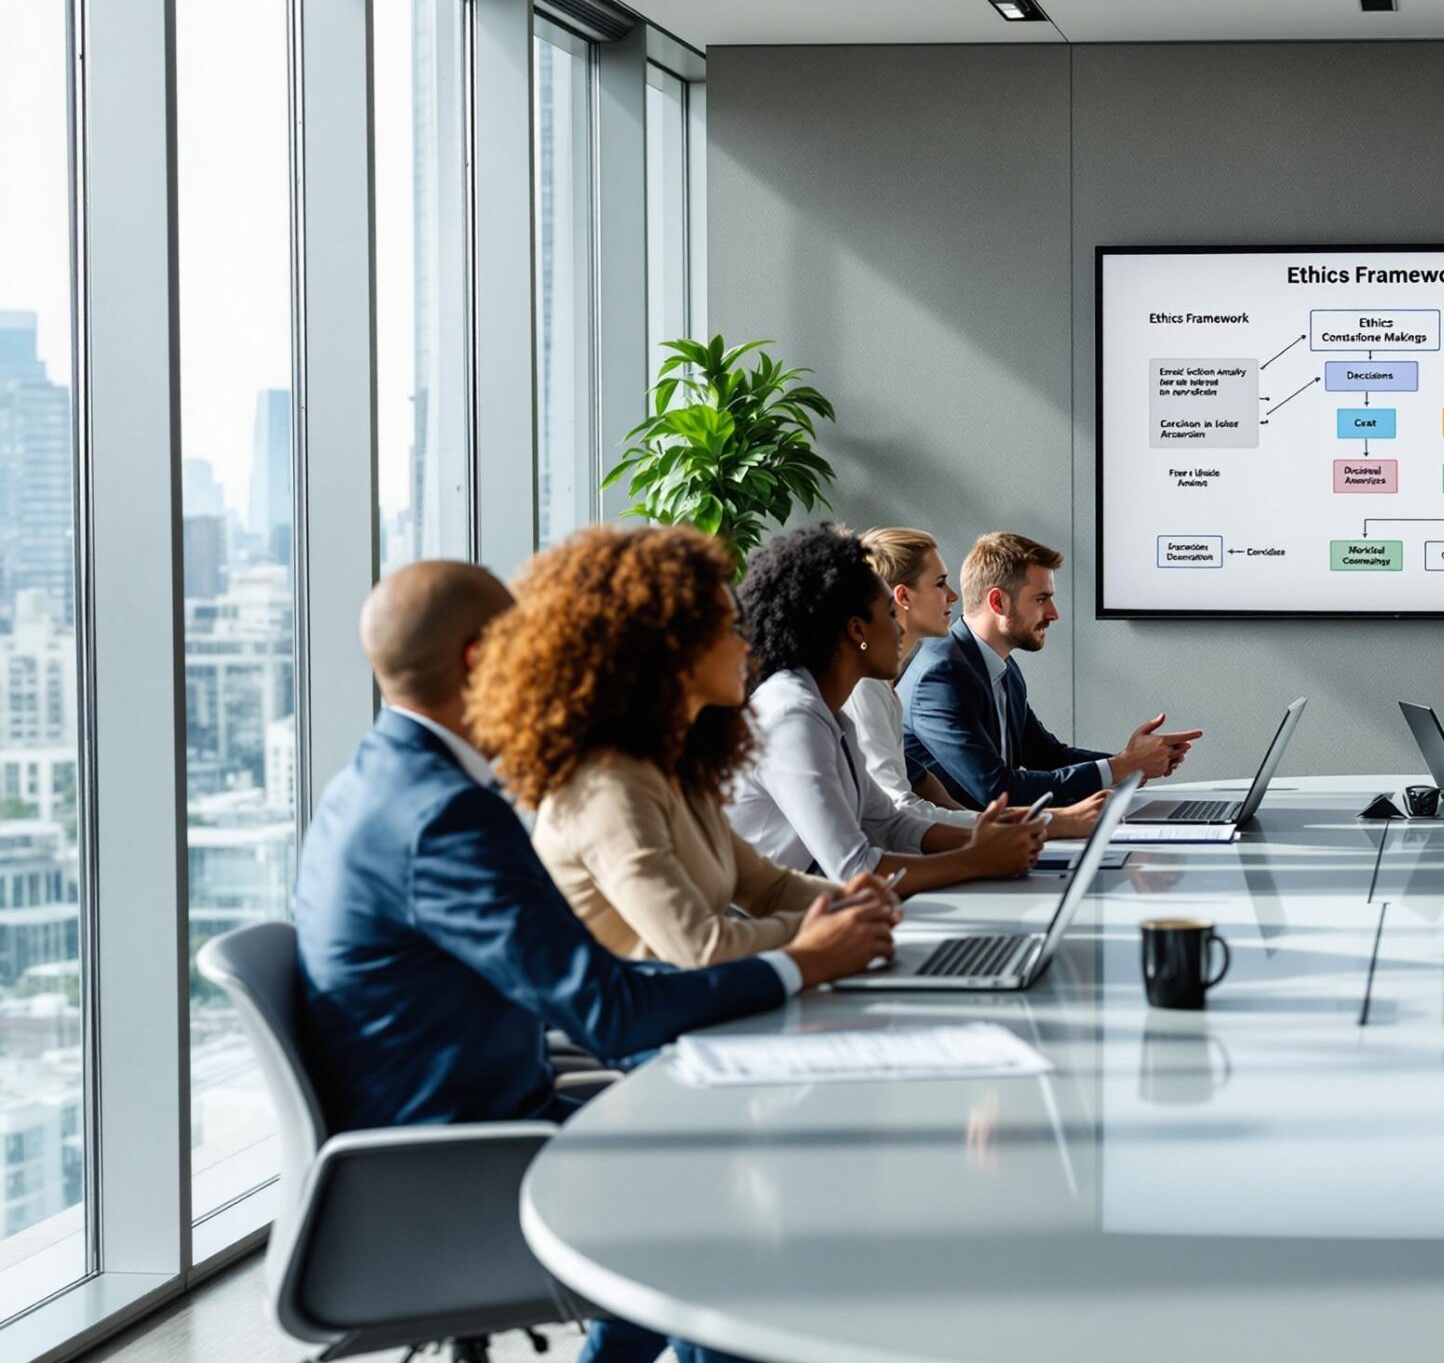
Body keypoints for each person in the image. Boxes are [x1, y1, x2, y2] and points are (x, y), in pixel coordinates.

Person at [294, 561, 898, 1363]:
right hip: (447, 1170)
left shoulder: (385, 782)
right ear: (482, 658)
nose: (547, 661)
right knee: (733, 1208)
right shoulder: (446, 815)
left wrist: (808, 942)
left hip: (475, 1124)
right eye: (527, 642)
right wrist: (800, 960)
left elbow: (592, 984)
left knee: (716, 1180)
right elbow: (607, 1010)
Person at [470, 525, 874, 968]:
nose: (746, 644)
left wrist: (856, 901)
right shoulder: (607, 786)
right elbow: (701, 948)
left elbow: (768, 887)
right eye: (728, 628)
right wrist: (824, 927)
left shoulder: (676, 765)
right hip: (653, 1028)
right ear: (664, 649)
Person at [728, 523, 1047, 891]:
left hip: (804, 906)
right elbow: (855, 868)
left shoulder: (831, 716)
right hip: (761, 928)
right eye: (887, 611)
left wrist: (989, 841)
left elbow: (888, 824)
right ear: (857, 631)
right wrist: (978, 857)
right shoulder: (793, 717)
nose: (899, 628)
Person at [904, 530, 1200, 809]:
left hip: (1003, 839)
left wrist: (1133, 761)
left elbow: (1045, 755)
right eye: (1041, 599)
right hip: (958, 851)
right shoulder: (941, 675)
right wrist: (1123, 766)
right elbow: (996, 789)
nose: (1054, 613)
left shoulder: (998, 665)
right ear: (998, 601)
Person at [853, 525, 1109, 839]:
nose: (953, 596)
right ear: (903, 596)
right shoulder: (878, 683)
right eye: (940, 583)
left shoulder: (884, 682)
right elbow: (902, 810)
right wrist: (1051, 823)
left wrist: (1126, 765)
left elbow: (929, 791)